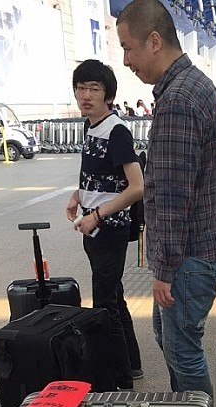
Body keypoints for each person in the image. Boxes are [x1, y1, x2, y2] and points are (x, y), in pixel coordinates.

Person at [116, 0, 216, 396]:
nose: (126, 60)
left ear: (154, 41)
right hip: (195, 253)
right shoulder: (191, 86)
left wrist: (163, 270)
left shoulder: (178, 99)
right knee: (170, 340)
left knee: (182, 351)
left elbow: (172, 196)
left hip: (187, 259)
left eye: (128, 48)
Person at [65, 59, 144, 390]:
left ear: (108, 95)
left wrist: (97, 215)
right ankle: (132, 365)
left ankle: (119, 381)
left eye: (94, 89)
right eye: (81, 88)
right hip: (95, 228)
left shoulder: (116, 131)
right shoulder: (91, 126)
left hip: (109, 229)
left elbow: (137, 187)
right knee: (114, 296)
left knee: (104, 305)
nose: (86, 95)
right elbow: (101, 177)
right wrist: (78, 196)